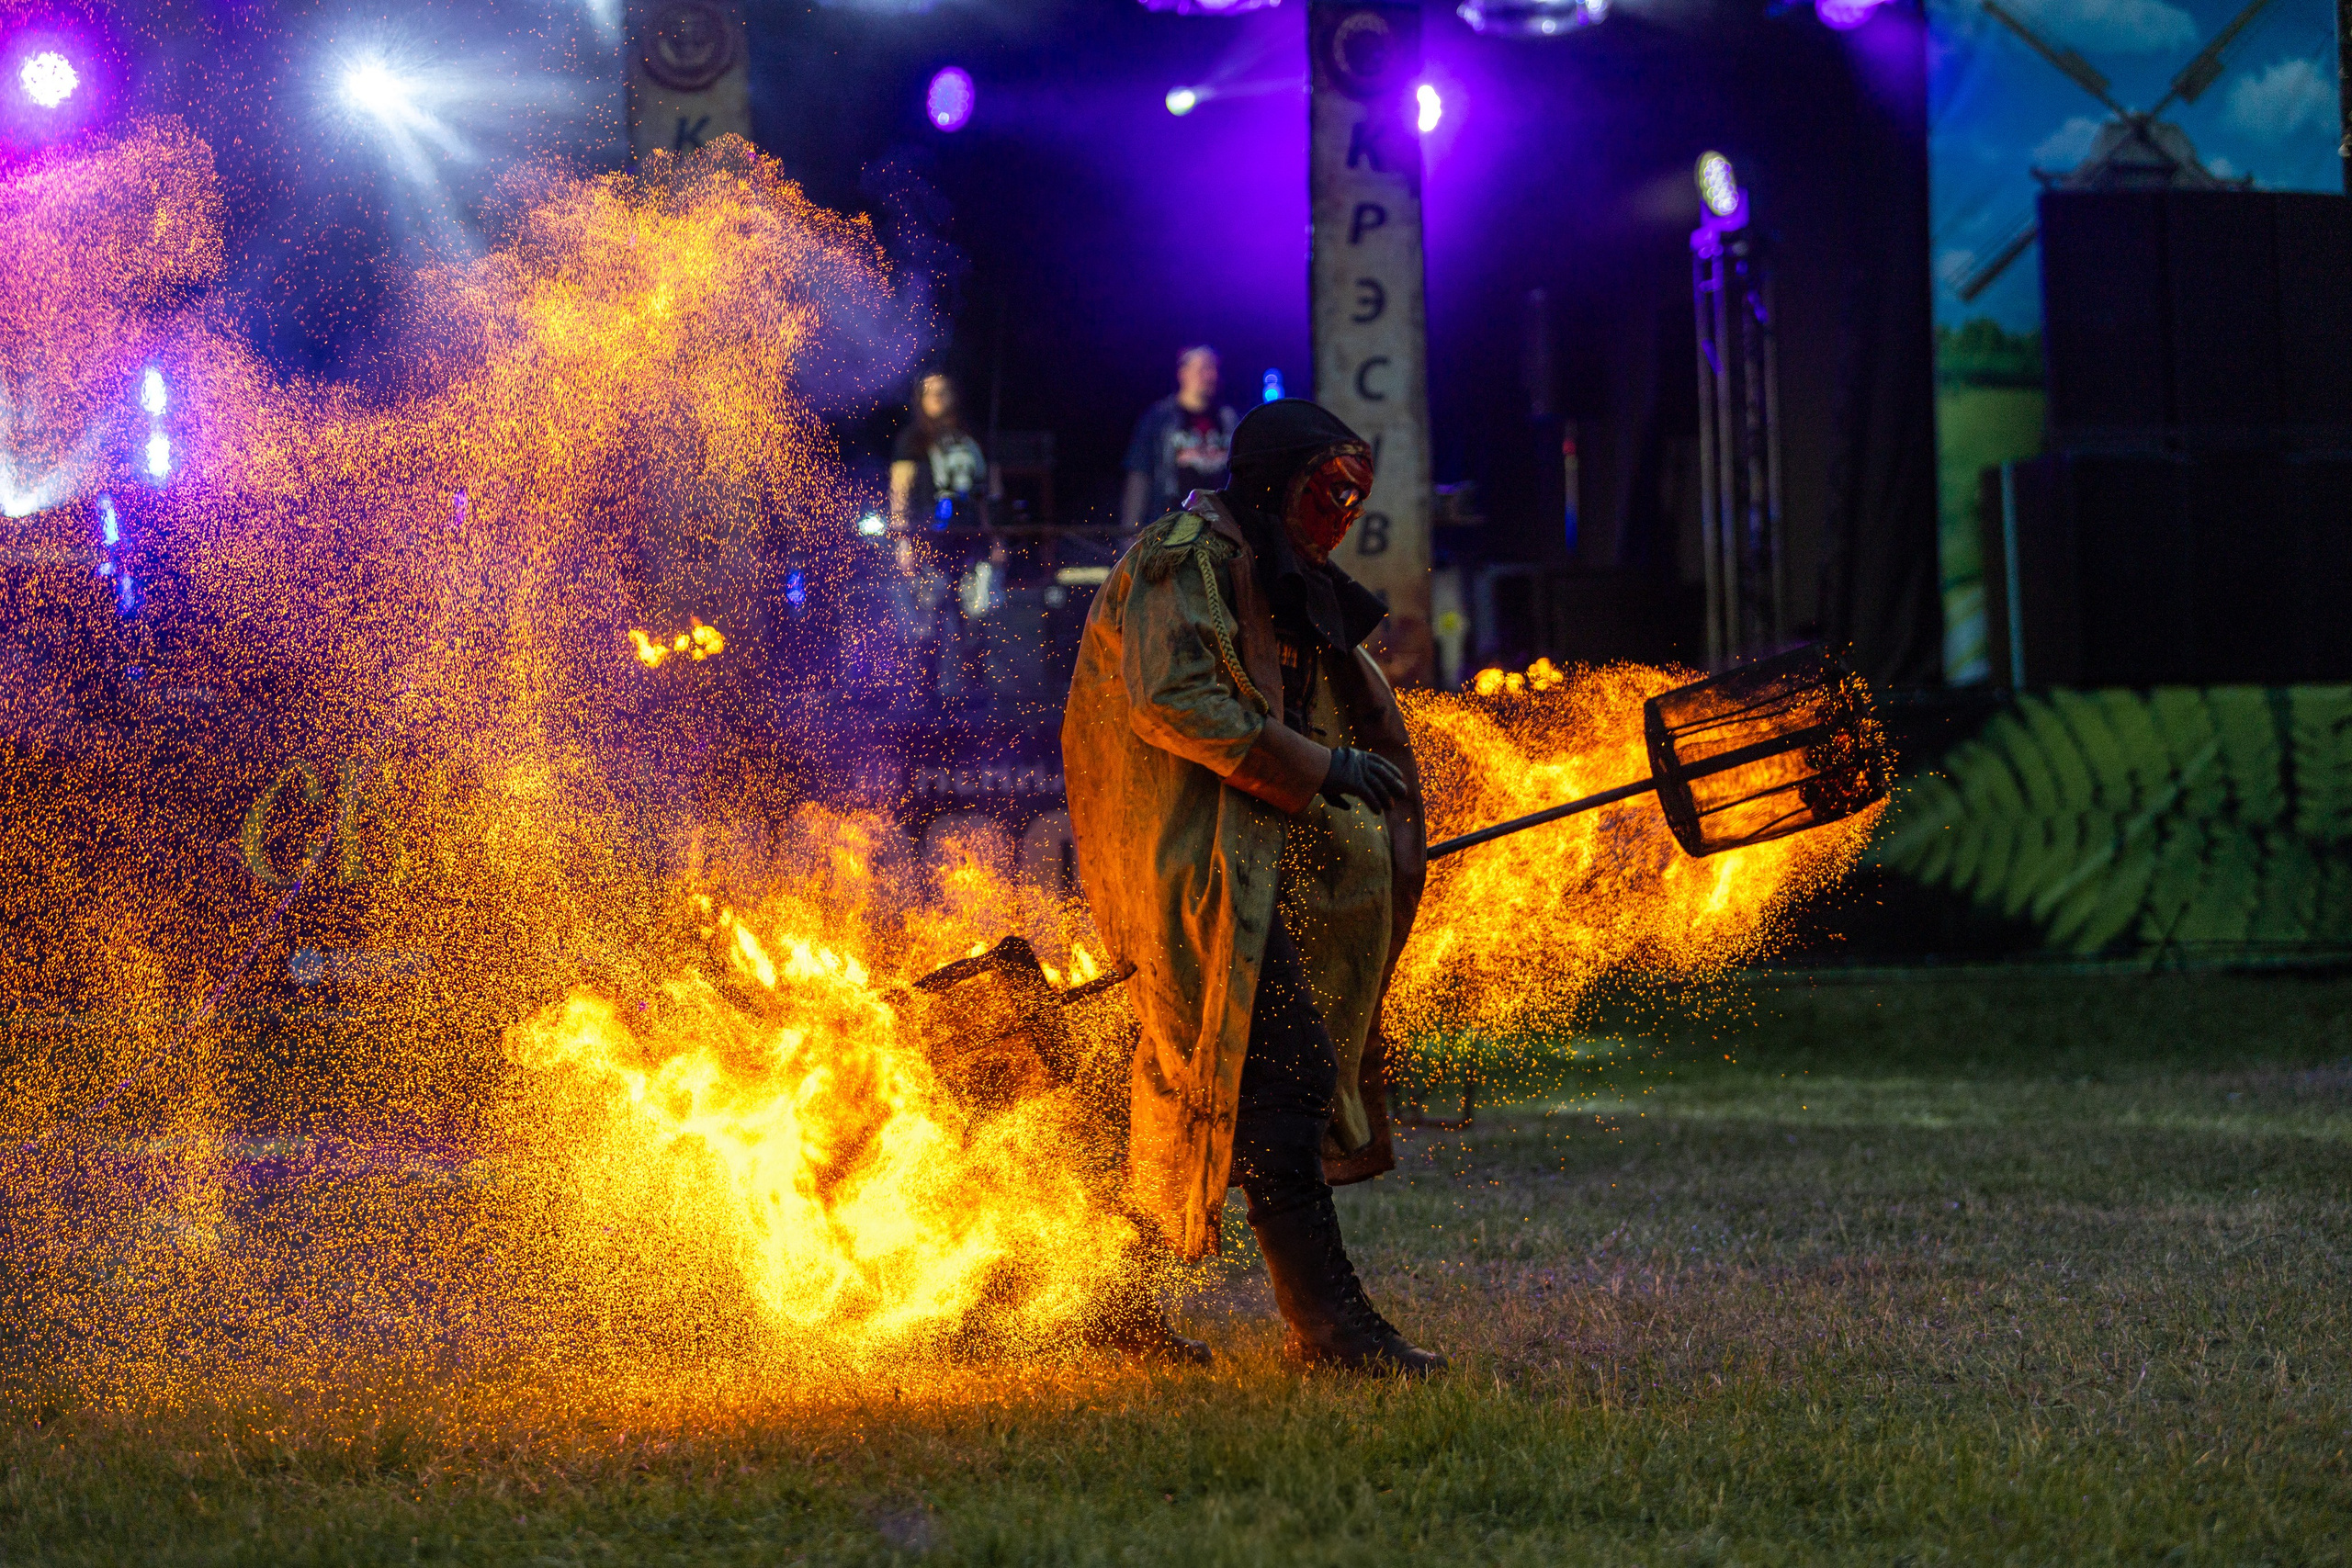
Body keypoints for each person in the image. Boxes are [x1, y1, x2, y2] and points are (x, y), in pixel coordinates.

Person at [1062, 398, 1445, 1376]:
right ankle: (1332, 1332)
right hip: (1184, 866)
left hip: (1239, 864)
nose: (1342, 513)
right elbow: (1178, 700)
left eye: (1354, 497)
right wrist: (1322, 769)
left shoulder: (1272, 567)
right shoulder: (1182, 555)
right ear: (1279, 482)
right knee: (1277, 1070)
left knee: (1197, 1077)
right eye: (1329, 491)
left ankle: (1113, 1307)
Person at [1120, 345, 1239, 536]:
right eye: (1202, 368)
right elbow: (1139, 475)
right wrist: (1128, 531)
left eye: (1213, 368)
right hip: (1171, 529)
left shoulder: (1230, 420)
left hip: (1221, 530)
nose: (1210, 375)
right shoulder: (1159, 419)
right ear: (1182, 373)